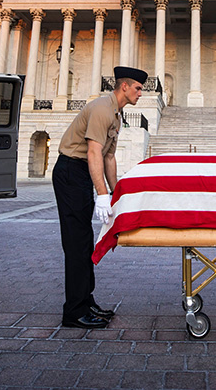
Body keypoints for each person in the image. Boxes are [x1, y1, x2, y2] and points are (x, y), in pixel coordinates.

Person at [53, 65, 147, 328]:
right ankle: (73, 311)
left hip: (81, 172)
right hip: (72, 171)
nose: (141, 93)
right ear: (124, 86)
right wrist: (101, 194)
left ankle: (86, 301)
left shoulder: (116, 115)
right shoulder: (102, 109)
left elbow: (108, 157)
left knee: (84, 243)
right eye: (138, 88)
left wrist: (116, 193)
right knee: (76, 243)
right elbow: (94, 153)